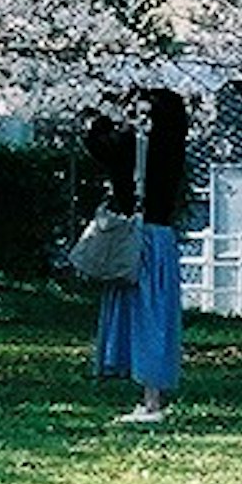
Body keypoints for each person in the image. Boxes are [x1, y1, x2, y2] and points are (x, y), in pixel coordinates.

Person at [83, 85, 188, 425]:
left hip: (138, 239)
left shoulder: (134, 143)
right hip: (162, 235)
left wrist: (100, 113)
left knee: (143, 316)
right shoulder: (173, 143)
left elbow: (98, 144)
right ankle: (151, 396)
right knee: (157, 315)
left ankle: (151, 401)